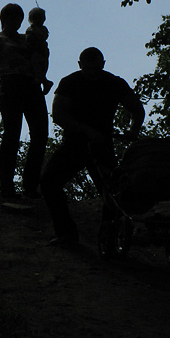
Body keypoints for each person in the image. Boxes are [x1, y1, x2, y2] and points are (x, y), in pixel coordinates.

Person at [40, 47, 145, 246]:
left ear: (103, 64)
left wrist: (133, 131)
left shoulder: (114, 83)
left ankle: (109, 238)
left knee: (113, 192)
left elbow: (137, 109)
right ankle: (67, 233)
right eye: (88, 68)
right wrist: (87, 131)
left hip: (102, 146)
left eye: (96, 68)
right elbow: (58, 114)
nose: (93, 72)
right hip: (74, 145)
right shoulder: (70, 82)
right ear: (80, 65)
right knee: (49, 182)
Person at [0, 4, 49, 198]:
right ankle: (7, 186)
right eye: (12, 18)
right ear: (4, 19)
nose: (16, 22)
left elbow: (39, 57)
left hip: (31, 85)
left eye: (19, 19)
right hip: (10, 85)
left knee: (40, 134)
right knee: (12, 134)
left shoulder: (26, 38)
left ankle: (30, 185)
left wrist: (42, 77)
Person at [25, 7, 53, 94]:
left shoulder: (42, 29)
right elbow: (27, 39)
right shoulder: (30, 29)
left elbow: (43, 37)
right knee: (35, 66)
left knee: (40, 66)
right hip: (34, 51)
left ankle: (42, 80)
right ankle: (43, 81)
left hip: (40, 51)